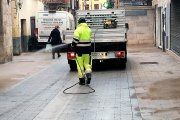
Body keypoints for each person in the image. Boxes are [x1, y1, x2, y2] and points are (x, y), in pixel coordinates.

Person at [71, 17, 92, 85]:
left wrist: (72, 45)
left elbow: (75, 40)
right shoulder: (89, 29)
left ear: (79, 23)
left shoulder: (78, 30)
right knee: (87, 64)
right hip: (88, 50)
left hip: (79, 51)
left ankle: (82, 80)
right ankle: (88, 75)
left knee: (80, 65)